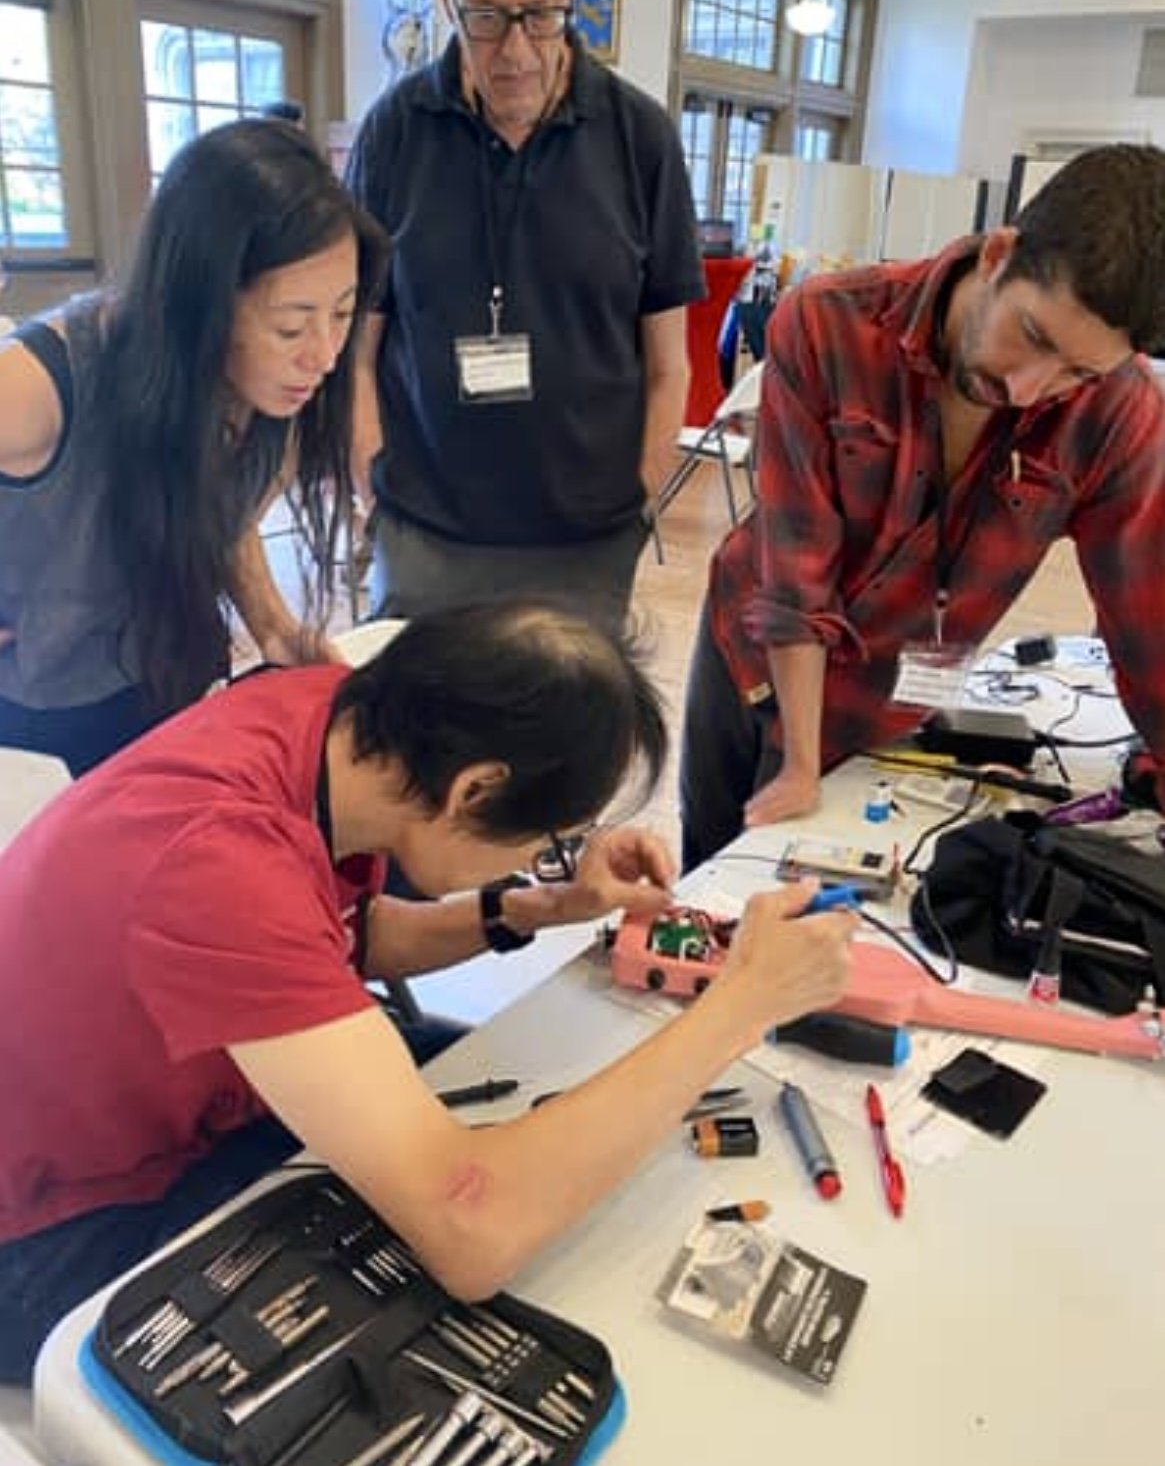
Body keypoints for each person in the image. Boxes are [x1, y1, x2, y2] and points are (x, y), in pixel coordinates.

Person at [0, 600, 854, 1382]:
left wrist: (550, 905)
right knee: (507, 1256)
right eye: (552, 839)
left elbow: (340, 937)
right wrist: (737, 1007)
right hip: (51, 1226)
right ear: (475, 788)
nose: (544, 855)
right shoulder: (219, 862)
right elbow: (472, 1234)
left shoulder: (333, 718)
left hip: (191, 1103)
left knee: (535, 1124)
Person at [681, 143, 1165, 870]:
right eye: (1031, 337)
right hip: (749, 650)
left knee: (829, 891)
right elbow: (795, 572)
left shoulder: (1119, 411)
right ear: (1000, 255)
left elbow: (1146, 623)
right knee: (713, 870)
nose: (1031, 389)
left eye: (1076, 372)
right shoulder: (829, 322)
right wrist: (800, 766)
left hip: (889, 690)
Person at [345, 0, 706, 630]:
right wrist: (374, 487)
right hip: (425, 532)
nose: (514, 51)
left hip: (587, 540)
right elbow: (356, 348)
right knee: (418, 739)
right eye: (483, 15)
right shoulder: (392, 134)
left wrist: (640, 495)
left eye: (539, 14)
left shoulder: (641, 138)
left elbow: (669, 359)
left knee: (564, 745)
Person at [0, 117, 384, 775]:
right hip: (41, 719)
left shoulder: (272, 387)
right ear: (197, 305)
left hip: (168, 673)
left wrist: (271, 624)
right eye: (291, 325)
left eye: (342, 314)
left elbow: (212, 511)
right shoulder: (42, 384)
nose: (322, 356)